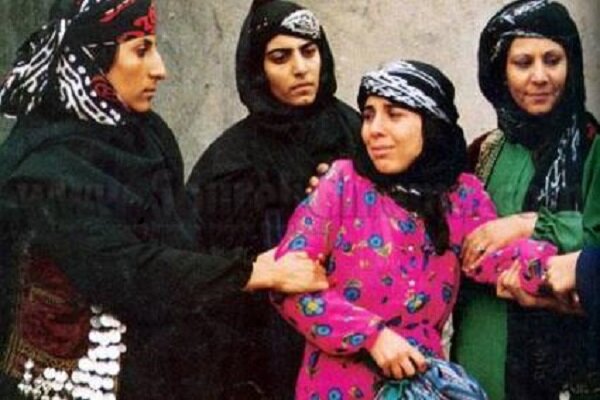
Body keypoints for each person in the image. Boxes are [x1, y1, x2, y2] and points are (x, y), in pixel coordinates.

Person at [0, 1, 328, 399]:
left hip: (152, 363)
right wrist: (252, 272)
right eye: (141, 50)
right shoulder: (49, 166)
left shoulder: (147, 136)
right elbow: (127, 268)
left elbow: (181, 240)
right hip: (71, 382)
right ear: (93, 58)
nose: (160, 69)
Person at [270, 60, 556, 400]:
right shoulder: (342, 185)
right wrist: (372, 336)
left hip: (420, 385)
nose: (374, 130)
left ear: (431, 124)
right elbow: (288, 283)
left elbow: (495, 257)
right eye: (368, 115)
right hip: (336, 387)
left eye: (394, 114)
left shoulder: (460, 196)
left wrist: (563, 271)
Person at [186, 1, 360, 398]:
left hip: (355, 336)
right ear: (257, 70)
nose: (300, 68)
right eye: (280, 57)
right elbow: (200, 266)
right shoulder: (230, 160)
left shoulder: (357, 134)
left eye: (309, 51)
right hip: (263, 349)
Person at [453, 1, 600, 399]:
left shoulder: (591, 147)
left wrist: (531, 224)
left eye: (552, 60)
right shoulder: (484, 151)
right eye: (522, 63)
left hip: (562, 357)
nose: (539, 77)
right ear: (499, 71)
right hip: (483, 345)